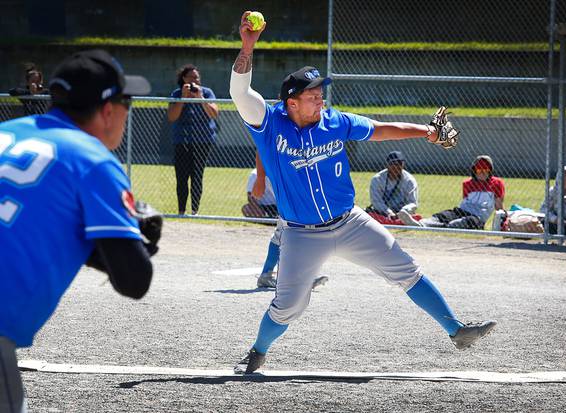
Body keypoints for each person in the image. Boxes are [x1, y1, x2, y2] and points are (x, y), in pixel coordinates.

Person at [229, 11, 496, 374]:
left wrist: (426, 131)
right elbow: (239, 92)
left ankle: (457, 330)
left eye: (321, 92)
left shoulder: (335, 121)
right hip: (301, 233)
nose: (320, 98)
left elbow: (382, 129)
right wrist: (248, 46)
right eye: (312, 94)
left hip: (351, 221)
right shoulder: (269, 121)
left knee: (406, 269)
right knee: (289, 306)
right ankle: (257, 352)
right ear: (291, 102)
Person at [0, 49, 160, 412]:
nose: (127, 111)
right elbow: (135, 281)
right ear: (107, 111)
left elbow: (30, 225)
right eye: (126, 102)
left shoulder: (6, 132)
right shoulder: (92, 158)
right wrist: (133, 244)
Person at [250, 154, 329, 290]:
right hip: (288, 183)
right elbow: (261, 148)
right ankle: (297, 278)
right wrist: (260, 178)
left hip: (297, 182)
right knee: (295, 230)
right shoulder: (277, 133)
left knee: (287, 231)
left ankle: (272, 275)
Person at [167, 64, 219, 215]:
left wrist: (200, 98)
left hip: (203, 141)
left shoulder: (206, 93)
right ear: (184, 79)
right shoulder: (177, 94)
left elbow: (214, 114)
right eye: (191, 77)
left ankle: (194, 211)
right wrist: (183, 98)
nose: (195, 81)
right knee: (182, 177)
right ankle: (181, 211)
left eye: (197, 77)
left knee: (197, 176)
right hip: (181, 140)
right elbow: (172, 116)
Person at [420, 155, 505, 230]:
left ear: (490, 171)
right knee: (444, 215)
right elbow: (465, 203)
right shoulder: (467, 183)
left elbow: (499, 207)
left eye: (485, 170)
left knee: (465, 222)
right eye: (479, 171)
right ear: (474, 171)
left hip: (477, 217)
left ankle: (443, 226)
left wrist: (503, 217)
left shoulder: (496, 183)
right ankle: (422, 223)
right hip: (462, 211)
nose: (482, 174)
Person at [367, 150, 421, 226]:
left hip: (402, 213)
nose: (396, 167)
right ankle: (398, 222)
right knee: (370, 216)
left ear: (403, 164)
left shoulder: (409, 180)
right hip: (383, 213)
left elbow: (413, 203)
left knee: (417, 217)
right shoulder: (377, 179)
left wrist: (403, 212)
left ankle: (402, 220)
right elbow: (376, 202)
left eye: (399, 163)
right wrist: (389, 212)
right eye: (393, 164)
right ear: (387, 165)